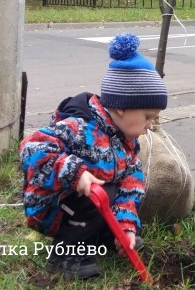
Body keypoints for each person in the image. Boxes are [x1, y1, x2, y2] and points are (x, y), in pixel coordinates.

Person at [20, 33, 167, 279]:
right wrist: (74, 173)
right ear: (122, 107)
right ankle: (65, 255)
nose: (150, 124)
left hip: (88, 205)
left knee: (111, 193)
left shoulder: (128, 144)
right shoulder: (79, 128)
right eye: (147, 117)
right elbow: (31, 148)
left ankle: (107, 236)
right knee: (101, 192)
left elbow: (130, 189)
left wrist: (126, 226)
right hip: (51, 206)